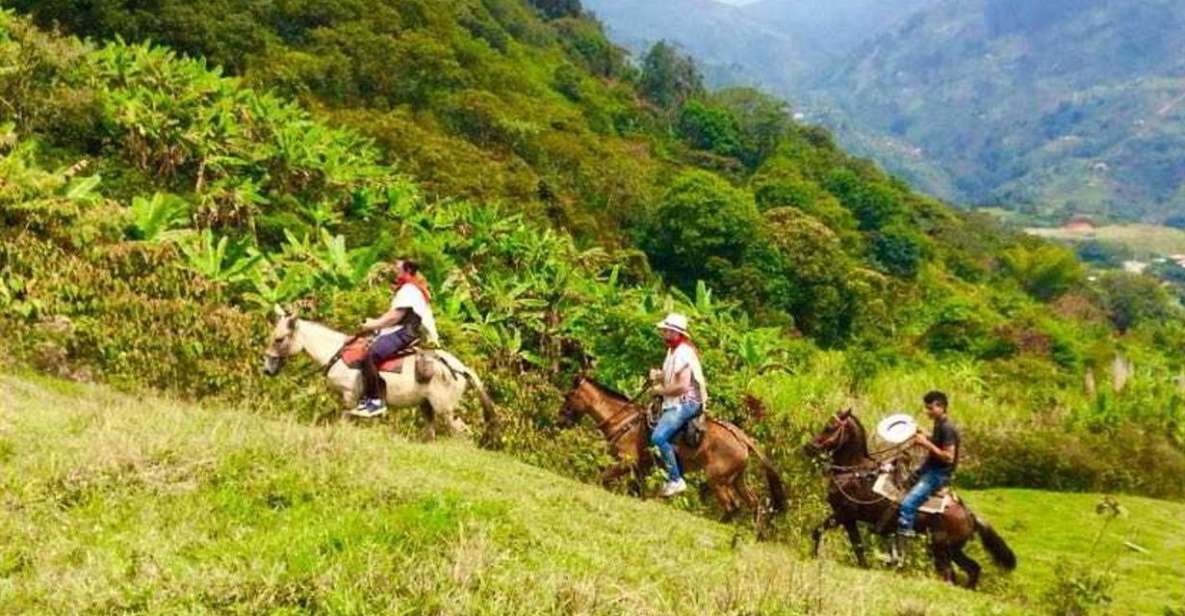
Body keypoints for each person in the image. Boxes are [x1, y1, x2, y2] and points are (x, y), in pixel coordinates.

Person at [350, 258, 439, 418]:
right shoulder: (410, 288)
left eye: (397, 267)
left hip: (405, 332)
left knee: (370, 356)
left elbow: (394, 317)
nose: (394, 269)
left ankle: (375, 401)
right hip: (402, 330)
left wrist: (372, 325)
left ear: (407, 270)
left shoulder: (409, 290)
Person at [648, 312, 708, 497]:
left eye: (666, 330)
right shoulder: (672, 350)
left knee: (658, 438)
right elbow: (669, 375)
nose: (663, 332)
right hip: (674, 400)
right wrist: (658, 375)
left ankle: (675, 479)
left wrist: (660, 391)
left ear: (675, 333)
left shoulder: (683, 353)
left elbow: (682, 386)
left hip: (687, 402)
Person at [897, 390, 959, 543]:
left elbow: (948, 457)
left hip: (938, 473)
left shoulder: (947, 428)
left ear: (941, 407)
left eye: (930, 408)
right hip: (929, 468)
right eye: (926, 408)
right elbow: (937, 442)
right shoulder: (939, 424)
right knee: (900, 486)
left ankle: (903, 547)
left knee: (908, 503)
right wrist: (924, 434)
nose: (927, 412)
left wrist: (925, 443)